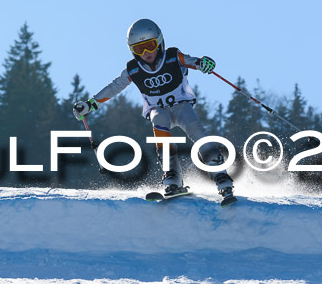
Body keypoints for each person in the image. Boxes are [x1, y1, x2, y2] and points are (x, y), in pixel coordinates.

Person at [72, 18, 234, 200]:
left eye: (150, 45)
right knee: (158, 121)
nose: (147, 52)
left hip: (181, 106)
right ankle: (172, 174)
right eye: (139, 49)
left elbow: (192, 61)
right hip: (159, 110)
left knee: (196, 129)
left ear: (159, 42)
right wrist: (91, 104)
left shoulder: (173, 57)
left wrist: (203, 63)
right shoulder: (133, 70)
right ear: (132, 51)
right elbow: (115, 87)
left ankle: (219, 173)